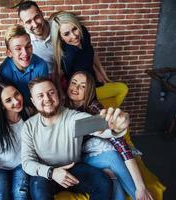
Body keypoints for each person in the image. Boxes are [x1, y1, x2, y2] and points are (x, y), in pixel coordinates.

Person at [21, 77, 130, 200]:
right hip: (46, 172)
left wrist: (116, 126)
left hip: (73, 169)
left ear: (58, 94)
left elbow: (102, 128)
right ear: (33, 101)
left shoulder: (73, 119)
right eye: (40, 95)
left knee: (103, 182)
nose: (47, 98)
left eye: (51, 92)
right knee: (38, 191)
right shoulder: (29, 126)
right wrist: (52, 172)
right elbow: (27, 163)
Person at [66, 71, 153, 200]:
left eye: (83, 86)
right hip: (79, 158)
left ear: (89, 91)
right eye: (74, 83)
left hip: (96, 154)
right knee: (110, 163)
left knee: (112, 169)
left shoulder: (94, 108)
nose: (76, 88)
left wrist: (141, 187)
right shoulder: (62, 106)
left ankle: (139, 194)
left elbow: (119, 142)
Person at [50, 11, 128, 108]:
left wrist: (101, 73)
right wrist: (62, 95)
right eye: (66, 34)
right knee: (122, 89)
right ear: (61, 38)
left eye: (75, 28)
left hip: (93, 77)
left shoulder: (83, 32)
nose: (74, 36)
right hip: (84, 90)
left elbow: (91, 52)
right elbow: (57, 75)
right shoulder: (67, 55)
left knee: (119, 91)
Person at [0, 24, 48, 106]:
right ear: (9, 53)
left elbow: (42, 96)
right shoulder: (4, 70)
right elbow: (8, 99)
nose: (25, 53)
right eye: (18, 48)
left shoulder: (41, 66)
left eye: (28, 46)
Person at [18, 0, 54, 75]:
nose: (35, 25)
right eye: (28, 22)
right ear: (22, 24)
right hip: (40, 78)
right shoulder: (23, 40)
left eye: (37, 17)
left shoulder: (58, 28)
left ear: (41, 14)